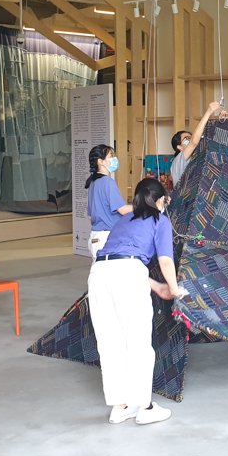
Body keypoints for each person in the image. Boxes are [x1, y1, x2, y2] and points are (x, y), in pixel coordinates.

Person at [87, 177, 187, 425]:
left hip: (99, 275)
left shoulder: (124, 220)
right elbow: (164, 261)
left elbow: (121, 260)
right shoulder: (160, 220)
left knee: (110, 343)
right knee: (138, 341)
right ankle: (145, 407)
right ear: (161, 200)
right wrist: (174, 288)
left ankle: (119, 407)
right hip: (127, 277)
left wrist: (158, 287)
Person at [84, 144, 132, 259]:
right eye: (111, 156)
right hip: (106, 237)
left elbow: (90, 216)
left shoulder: (93, 183)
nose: (114, 159)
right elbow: (123, 210)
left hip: (96, 237)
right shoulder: (108, 182)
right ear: (101, 162)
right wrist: (145, 204)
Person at [170, 101, 228, 187]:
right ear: (179, 147)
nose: (190, 140)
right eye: (187, 138)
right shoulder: (179, 160)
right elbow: (194, 142)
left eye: (191, 137)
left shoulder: (198, 156)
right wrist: (208, 112)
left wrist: (222, 123)